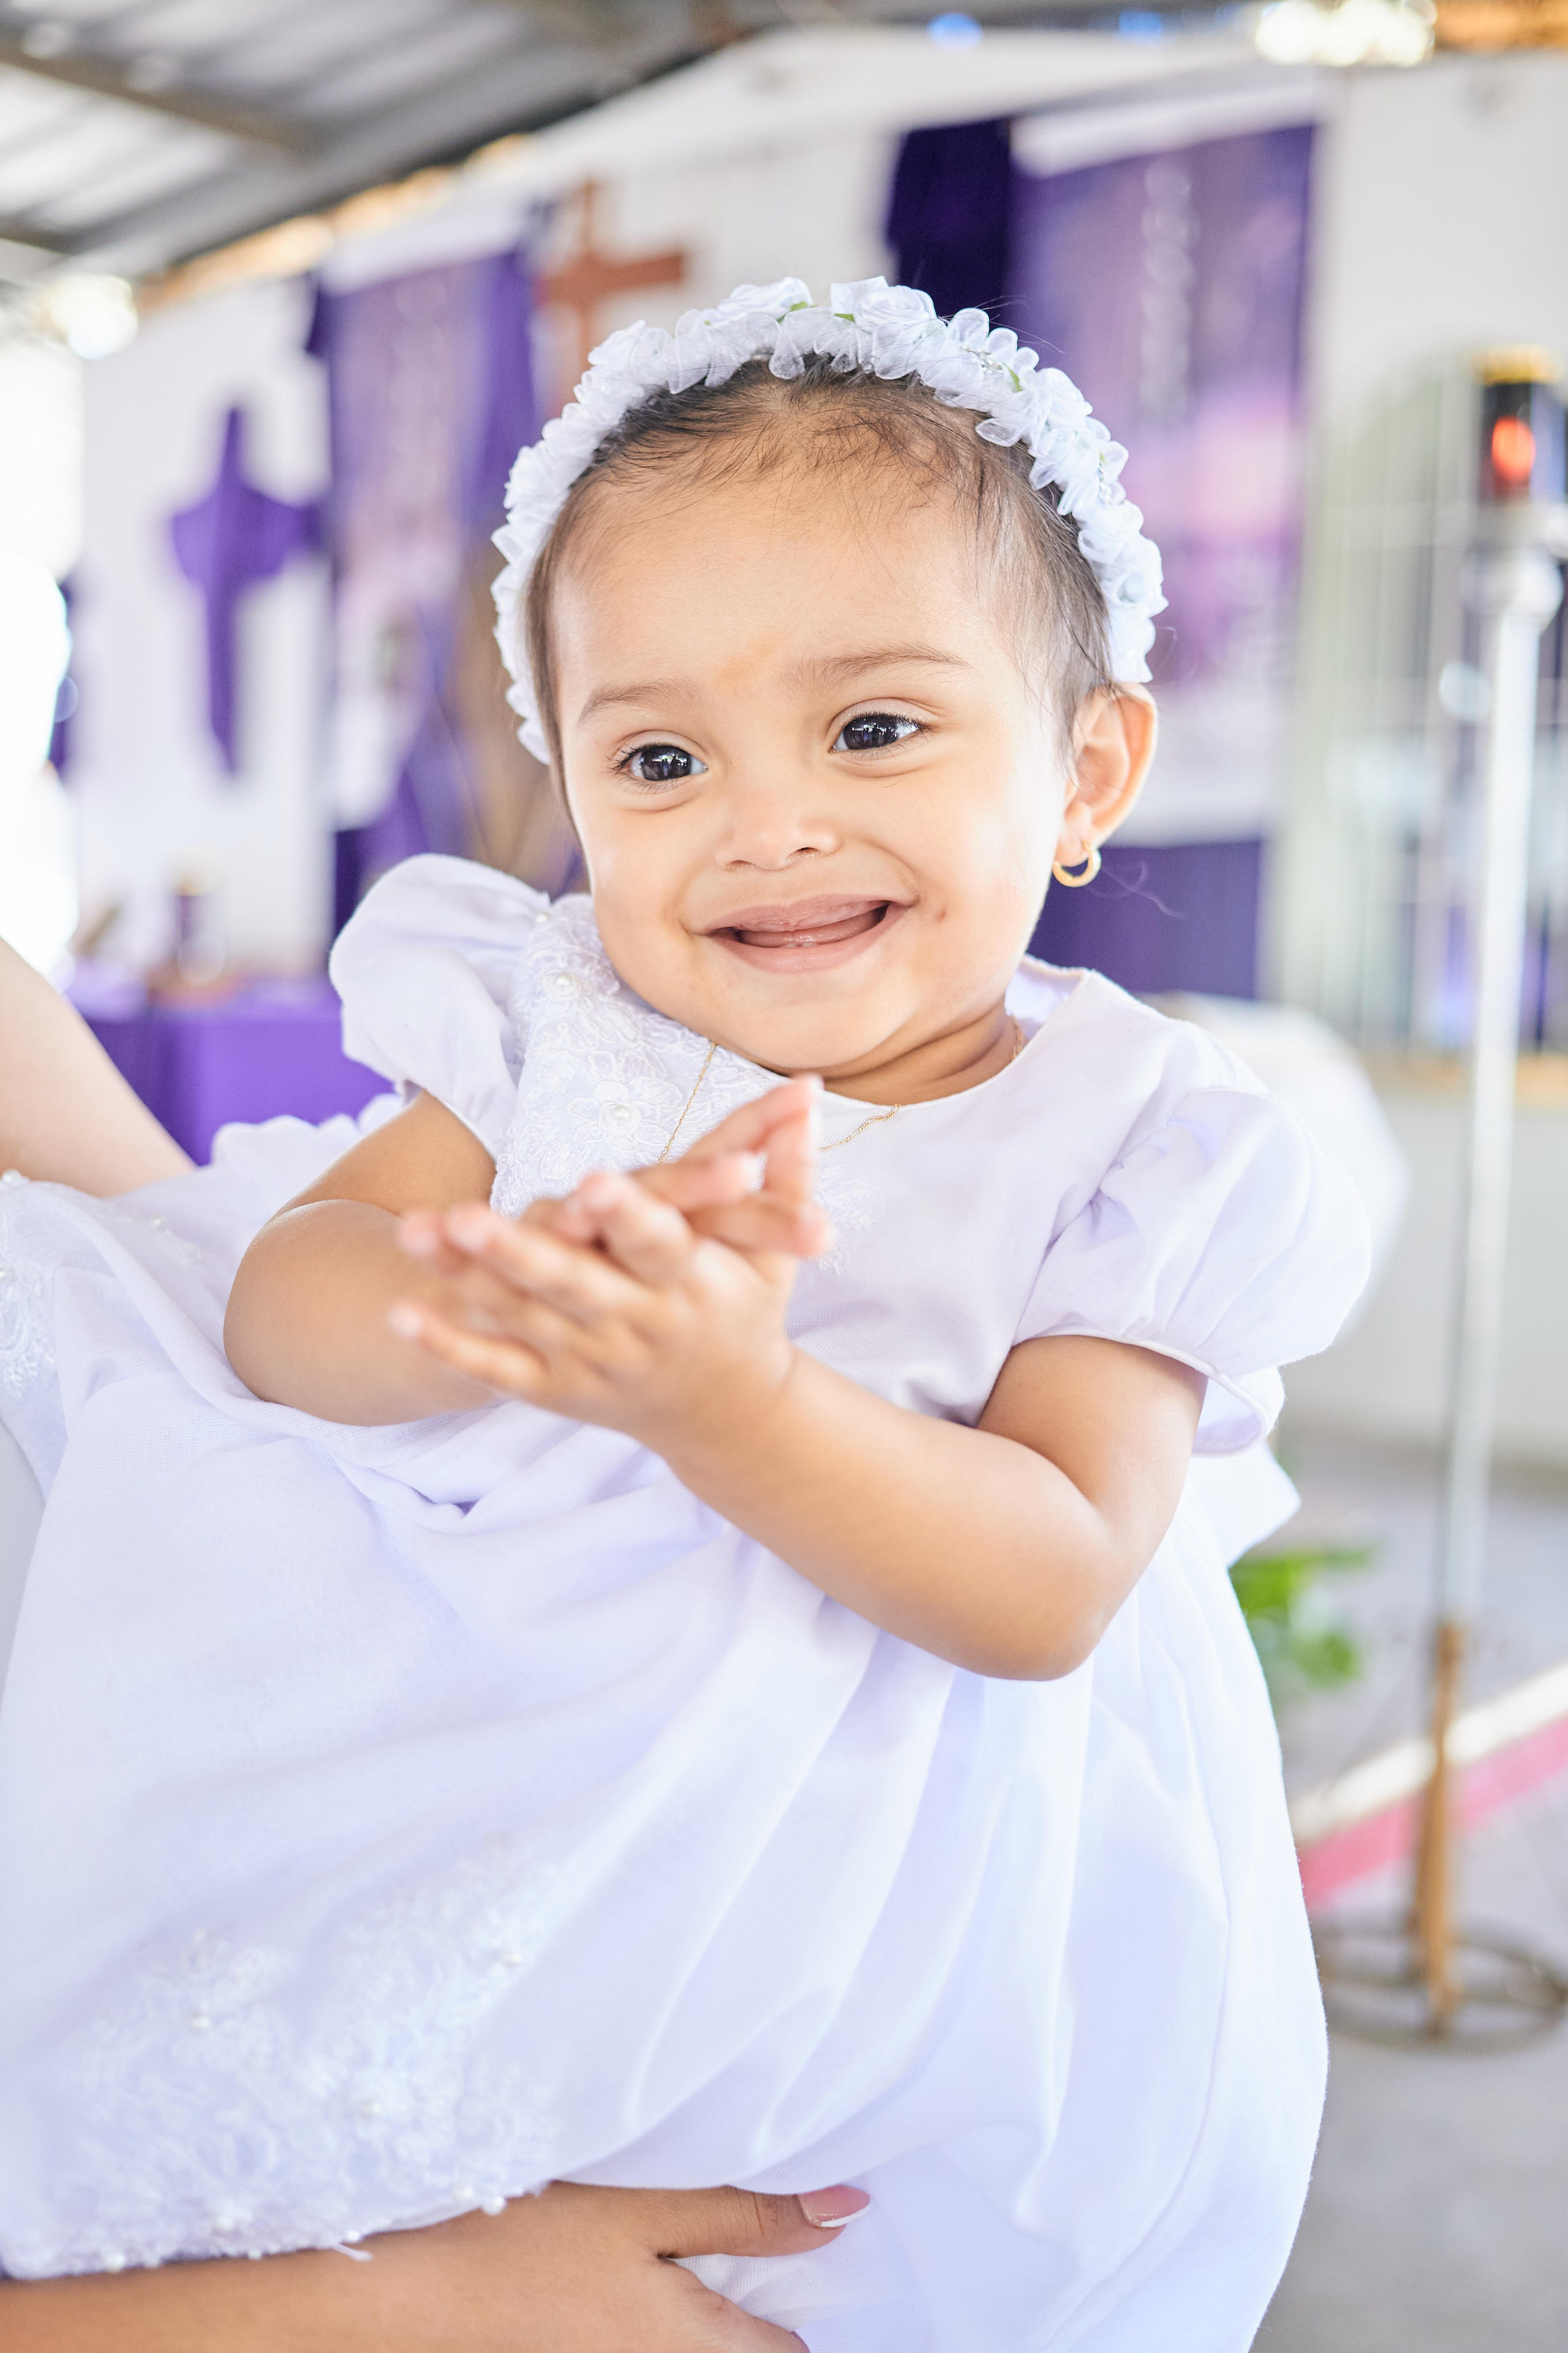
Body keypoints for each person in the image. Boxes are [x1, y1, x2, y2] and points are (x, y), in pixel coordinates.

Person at [0, 279, 1368, 2351]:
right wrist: (464, 1316)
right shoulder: (551, 1025)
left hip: (863, 1885)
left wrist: (728, 1400)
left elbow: (1054, 1578)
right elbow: (286, 1310)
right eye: (660, 753)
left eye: (876, 725)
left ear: (1089, 768)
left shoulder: (1128, 1135)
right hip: (473, 1760)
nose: (769, 816)